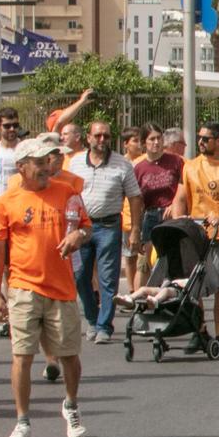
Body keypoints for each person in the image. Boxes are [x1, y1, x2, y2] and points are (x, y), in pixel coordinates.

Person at [0, 135, 89, 437]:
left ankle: (71, 405)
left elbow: (86, 226)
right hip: (23, 286)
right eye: (39, 162)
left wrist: (78, 237)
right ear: (21, 167)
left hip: (61, 288)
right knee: (22, 355)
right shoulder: (6, 201)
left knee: (69, 355)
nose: (46, 167)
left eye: (49, 161)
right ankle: (22, 422)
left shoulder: (68, 193)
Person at [167, 120, 219, 353]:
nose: (201, 142)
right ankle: (199, 331)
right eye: (199, 138)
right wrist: (178, 222)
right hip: (196, 234)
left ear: (218, 140)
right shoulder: (190, 166)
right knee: (192, 287)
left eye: (206, 139)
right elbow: (181, 198)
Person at [66, 119, 143, 344]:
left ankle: (104, 326)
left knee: (108, 279)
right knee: (80, 276)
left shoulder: (122, 165)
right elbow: (69, 195)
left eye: (106, 136)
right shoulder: (76, 163)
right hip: (82, 228)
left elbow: (135, 197)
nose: (102, 140)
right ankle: (92, 318)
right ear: (88, 138)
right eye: (98, 136)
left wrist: (136, 229)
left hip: (109, 226)